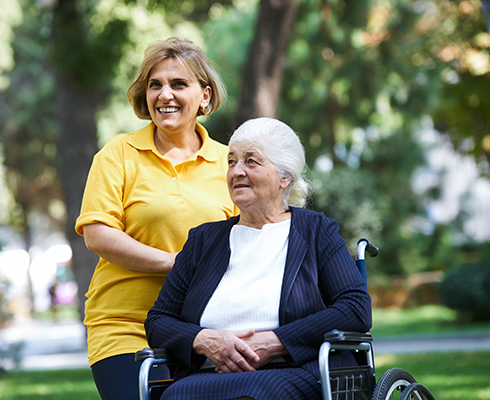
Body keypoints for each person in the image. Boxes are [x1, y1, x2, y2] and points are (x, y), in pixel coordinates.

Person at [145, 117, 372, 400]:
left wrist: (277, 342)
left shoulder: (316, 231)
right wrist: (204, 340)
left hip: (294, 370)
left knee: (263, 394)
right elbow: (158, 320)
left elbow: (354, 309)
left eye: (251, 161)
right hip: (208, 375)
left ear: (284, 177)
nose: (237, 171)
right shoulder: (203, 241)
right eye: (231, 161)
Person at [75, 38, 236, 400]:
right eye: (155, 84)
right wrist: (175, 263)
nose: (165, 94)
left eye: (179, 84)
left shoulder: (229, 164)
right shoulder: (119, 153)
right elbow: (98, 235)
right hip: (124, 326)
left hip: (201, 330)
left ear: (205, 96)